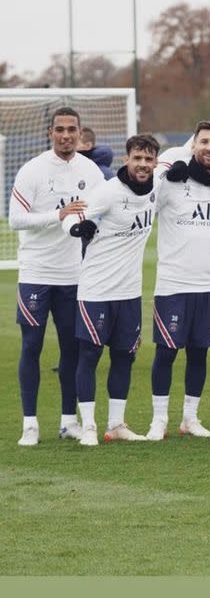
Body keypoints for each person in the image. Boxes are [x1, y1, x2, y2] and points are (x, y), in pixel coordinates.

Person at [10, 105, 104, 446]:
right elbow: (16, 219)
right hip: (36, 272)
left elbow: (99, 212)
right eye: (60, 129)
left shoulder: (91, 171)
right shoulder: (32, 170)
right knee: (31, 346)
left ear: (80, 133)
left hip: (75, 275)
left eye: (72, 129)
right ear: (50, 133)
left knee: (72, 349)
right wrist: (58, 215)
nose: (66, 135)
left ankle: (68, 421)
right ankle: (30, 424)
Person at [147, 121, 210, 440]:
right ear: (193, 145)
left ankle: (190, 417)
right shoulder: (170, 181)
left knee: (199, 353)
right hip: (173, 283)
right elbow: (142, 197)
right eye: (204, 142)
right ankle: (159, 419)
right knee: (166, 353)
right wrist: (165, 173)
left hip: (208, 284)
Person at [65, 134, 160, 445]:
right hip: (96, 291)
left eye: (148, 159)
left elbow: (185, 154)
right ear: (127, 160)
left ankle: (116, 424)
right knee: (89, 354)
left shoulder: (157, 188)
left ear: (155, 162)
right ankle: (89, 426)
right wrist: (78, 228)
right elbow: (73, 215)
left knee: (124, 357)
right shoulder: (107, 192)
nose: (143, 164)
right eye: (137, 158)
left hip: (129, 293)